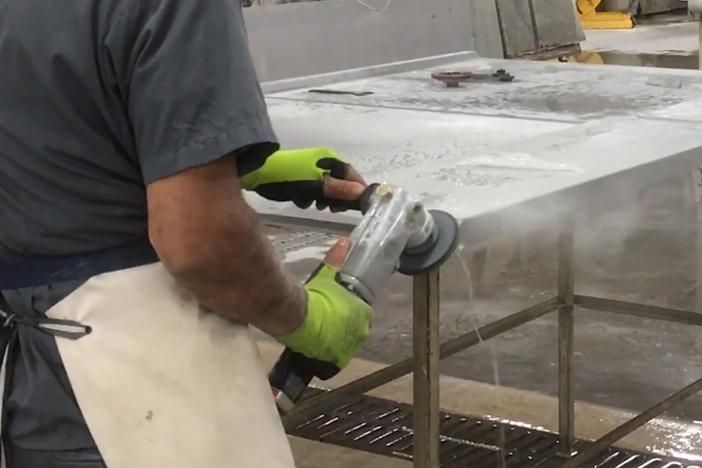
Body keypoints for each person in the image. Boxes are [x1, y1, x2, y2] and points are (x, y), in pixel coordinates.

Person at [0, 1, 375, 467]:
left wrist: (210, 161)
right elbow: (199, 244)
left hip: (23, 387)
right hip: (136, 394)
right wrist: (307, 321)